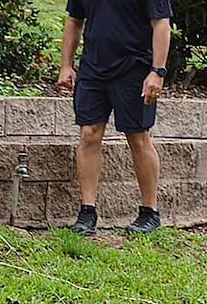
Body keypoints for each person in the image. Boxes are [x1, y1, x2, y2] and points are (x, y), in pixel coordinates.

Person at [57, 0, 172, 235]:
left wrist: (157, 72)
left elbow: (161, 23)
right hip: (92, 69)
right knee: (89, 134)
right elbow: (74, 20)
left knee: (138, 137)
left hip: (135, 67)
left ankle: (149, 213)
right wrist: (66, 65)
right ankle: (87, 213)